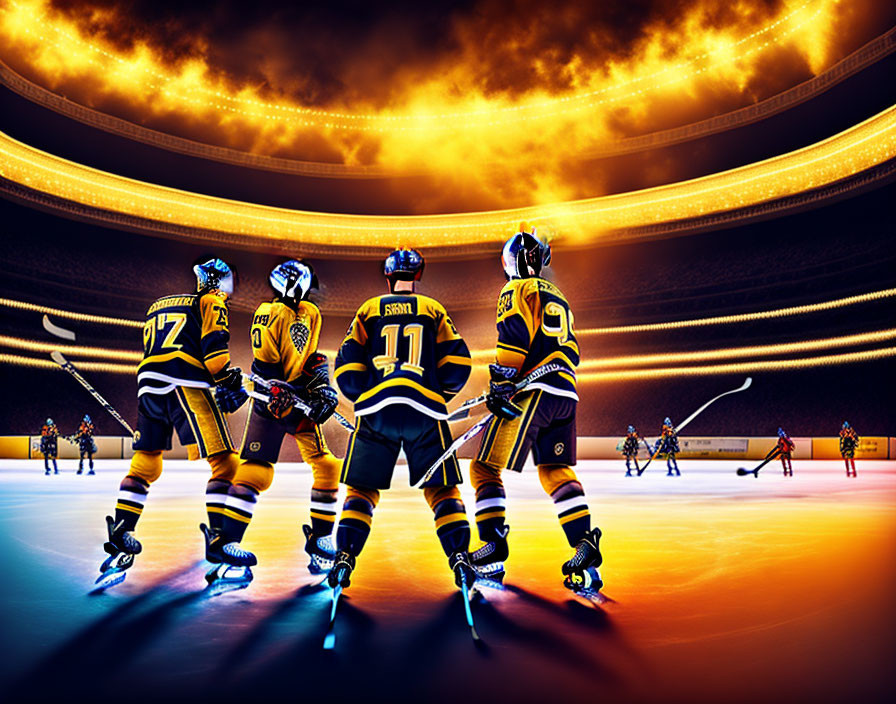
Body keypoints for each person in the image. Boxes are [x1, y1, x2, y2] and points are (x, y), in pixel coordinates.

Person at [328, 247, 476, 591]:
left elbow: (347, 365)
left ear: (388, 276)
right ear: (418, 275)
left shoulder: (369, 308)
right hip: (425, 410)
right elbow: (458, 364)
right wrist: (437, 394)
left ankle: (345, 559)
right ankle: (459, 559)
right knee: (443, 491)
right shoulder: (432, 309)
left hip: (375, 409)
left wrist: (362, 396)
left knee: (360, 492)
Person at [467, 225, 602, 594]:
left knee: (483, 468)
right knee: (555, 470)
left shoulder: (515, 289)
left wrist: (502, 382)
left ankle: (493, 546)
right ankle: (584, 546)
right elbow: (572, 350)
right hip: (565, 393)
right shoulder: (559, 295)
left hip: (534, 393)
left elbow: (514, 335)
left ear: (510, 261)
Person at [98, 257, 248, 582]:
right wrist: (226, 380)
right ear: (217, 279)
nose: (231, 287)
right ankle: (221, 540)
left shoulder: (159, 304)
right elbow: (214, 353)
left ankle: (122, 529)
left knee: (146, 463)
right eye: (230, 279)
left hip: (148, 386)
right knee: (225, 465)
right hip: (186, 382)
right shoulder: (211, 300)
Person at [210, 260, 341, 579]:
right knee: (256, 471)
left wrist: (323, 387)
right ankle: (226, 541)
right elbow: (265, 364)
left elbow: (312, 357)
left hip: (297, 401)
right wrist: (275, 392)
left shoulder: (311, 313)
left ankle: (320, 538)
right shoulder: (271, 311)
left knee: (326, 467)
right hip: (272, 403)